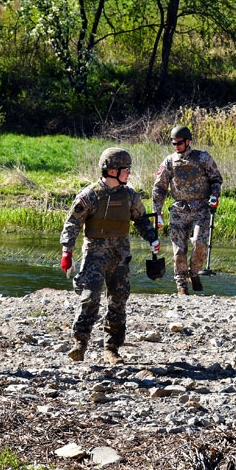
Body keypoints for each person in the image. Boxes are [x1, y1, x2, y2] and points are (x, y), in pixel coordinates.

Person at [60, 147, 160, 365]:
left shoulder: (130, 196)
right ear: (112, 171)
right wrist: (66, 251)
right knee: (90, 298)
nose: (129, 173)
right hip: (94, 255)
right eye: (125, 169)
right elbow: (72, 223)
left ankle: (111, 349)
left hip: (120, 257)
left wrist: (152, 238)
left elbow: (142, 220)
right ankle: (80, 344)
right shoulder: (90, 195)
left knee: (118, 302)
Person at [152, 125, 223, 294]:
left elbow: (216, 179)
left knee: (199, 243)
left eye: (179, 143)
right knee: (179, 250)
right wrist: (157, 211)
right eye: (173, 143)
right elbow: (159, 187)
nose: (176, 146)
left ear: (188, 141)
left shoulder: (203, 158)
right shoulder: (169, 161)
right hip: (179, 209)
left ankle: (194, 272)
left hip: (200, 208)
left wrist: (215, 195)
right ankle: (181, 284)